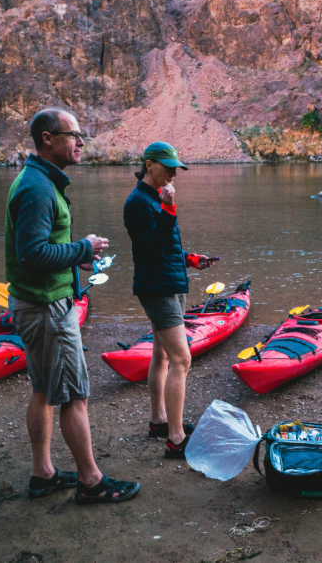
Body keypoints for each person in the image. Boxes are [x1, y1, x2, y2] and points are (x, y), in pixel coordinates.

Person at [6, 107, 139, 504]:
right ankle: (91, 481)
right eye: (74, 134)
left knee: (44, 389)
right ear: (48, 138)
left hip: (37, 303)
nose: (81, 142)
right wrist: (84, 246)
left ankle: (43, 474)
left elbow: (41, 249)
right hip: (47, 307)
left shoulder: (38, 181)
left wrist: (76, 258)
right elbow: (31, 255)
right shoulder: (38, 188)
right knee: (74, 395)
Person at [123, 141, 216, 459]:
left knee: (163, 356)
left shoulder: (155, 199)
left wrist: (190, 258)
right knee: (182, 360)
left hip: (171, 282)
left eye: (177, 167)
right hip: (158, 289)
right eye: (168, 166)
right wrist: (169, 209)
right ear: (149, 165)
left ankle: (159, 422)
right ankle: (176, 439)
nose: (175, 173)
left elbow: (167, 245)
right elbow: (149, 248)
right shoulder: (138, 202)